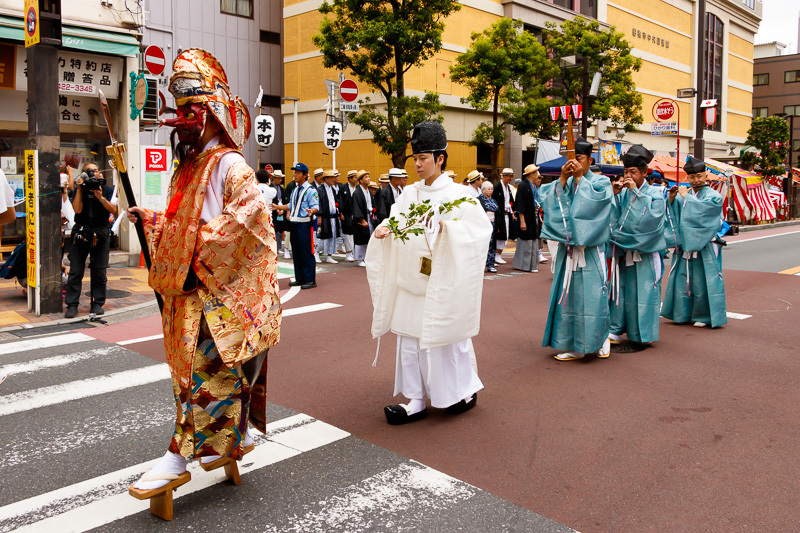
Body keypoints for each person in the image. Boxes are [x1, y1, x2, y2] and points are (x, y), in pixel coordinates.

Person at [124, 49, 281, 511]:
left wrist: (183, 243)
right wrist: (152, 220)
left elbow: (246, 226)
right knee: (189, 376)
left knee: (204, 377)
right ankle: (232, 439)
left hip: (215, 294)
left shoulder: (233, 166)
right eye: (182, 111)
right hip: (185, 289)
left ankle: (179, 455)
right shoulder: (187, 167)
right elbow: (183, 221)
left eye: (193, 110)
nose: (185, 119)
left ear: (213, 111)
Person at [367, 121, 491, 425]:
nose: (418, 164)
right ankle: (416, 398)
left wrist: (450, 230)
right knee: (409, 341)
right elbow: (396, 221)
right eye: (415, 159)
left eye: (424, 158)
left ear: (440, 159)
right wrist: (385, 228)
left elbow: (480, 230)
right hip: (411, 278)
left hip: (441, 281)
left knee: (444, 340)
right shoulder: (409, 194)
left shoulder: (459, 194)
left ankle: (458, 391)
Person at [539, 137, 613, 361]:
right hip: (568, 250)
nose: (573, 164)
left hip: (590, 250)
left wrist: (581, 179)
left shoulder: (601, 183)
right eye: (570, 160)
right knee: (568, 296)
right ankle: (571, 342)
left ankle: (600, 338)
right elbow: (547, 199)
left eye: (578, 159)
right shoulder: (565, 182)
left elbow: (597, 207)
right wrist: (562, 178)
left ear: (590, 160)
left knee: (593, 297)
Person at [608, 145, 667, 346]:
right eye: (626, 172)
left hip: (646, 252)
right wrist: (614, 195)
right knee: (623, 291)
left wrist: (637, 194)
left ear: (644, 173)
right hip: (626, 250)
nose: (629, 176)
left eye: (633, 172)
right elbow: (615, 218)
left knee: (644, 292)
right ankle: (616, 328)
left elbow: (654, 219)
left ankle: (643, 334)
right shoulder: (624, 192)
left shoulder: (656, 193)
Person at [661, 156, 727, 328]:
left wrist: (687, 199)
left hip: (705, 245)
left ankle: (704, 316)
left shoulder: (714, 196)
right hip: (685, 247)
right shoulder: (686, 194)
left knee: (702, 281)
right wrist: (672, 199)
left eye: (699, 176)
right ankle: (682, 314)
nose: (696, 180)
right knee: (683, 279)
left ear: (706, 175)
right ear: (687, 178)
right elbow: (674, 216)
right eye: (692, 177)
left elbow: (704, 214)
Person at [64, 162, 118, 318]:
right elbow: (77, 210)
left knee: (99, 271)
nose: (94, 174)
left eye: (96, 171)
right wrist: (80, 188)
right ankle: (72, 305)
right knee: (75, 270)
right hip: (82, 231)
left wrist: (100, 197)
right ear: (84, 175)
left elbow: (113, 210)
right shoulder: (79, 189)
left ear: (100, 173)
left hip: (100, 232)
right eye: (90, 172)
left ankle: (97, 304)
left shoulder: (107, 189)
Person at [273, 162, 319, 289]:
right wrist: (278, 207)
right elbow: (290, 206)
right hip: (294, 224)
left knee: (306, 252)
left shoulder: (310, 190)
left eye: (298, 173)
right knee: (297, 252)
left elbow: (315, 206)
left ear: (305, 175)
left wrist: (312, 211)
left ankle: (310, 280)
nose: (295, 175)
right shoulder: (294, 190)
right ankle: (300, 278)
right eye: (294, 172)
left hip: (304, 225)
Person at [512, 164, 542, 273]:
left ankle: (533, 265)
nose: (538, 175)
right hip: (526, 216)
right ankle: (524, 265)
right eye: (536, 172)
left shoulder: (534, 185)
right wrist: (522, 221)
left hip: (533, 215)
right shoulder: (523, 185)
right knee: (526, 241)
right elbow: (520, 204)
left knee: (534, 240)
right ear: (532, 174)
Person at [492, 168, 517, 264]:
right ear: (504, 176)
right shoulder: (497, 187)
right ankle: (496, 254)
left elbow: (511, 201)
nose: (510, 178)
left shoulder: (508, 188)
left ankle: (499, 254)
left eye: (511, 176)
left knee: (506, 235)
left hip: (507, 214)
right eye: (509, 176)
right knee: (499, 234)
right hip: (500, 215)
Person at [317, 169, 341, 264]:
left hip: (332, 217)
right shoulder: (320, 189)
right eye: (331, 177)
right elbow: (318, 203)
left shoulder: (333, 189)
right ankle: (316, 253)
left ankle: (329, 255)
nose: (333, 179)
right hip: (324, 216)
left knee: (332, 236)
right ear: (325, 178)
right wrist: (319, 216)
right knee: (322, 236)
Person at [352, 170, 374, 267]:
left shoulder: (368, 191)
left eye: (369, 177)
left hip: (369, 216)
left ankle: (366, 257)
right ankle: (360, 258)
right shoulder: (357, 193)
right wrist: (362, 220)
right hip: (361, 219)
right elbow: (356, 207)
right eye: (366, 177)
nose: (368, 179)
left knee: (367, 239)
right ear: (360, 180)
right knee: (360, 239)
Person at [478, 181, 499, 273]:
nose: (490, 191)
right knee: (482, 245)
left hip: (493, 224)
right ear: (483, 190)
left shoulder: (493, 200)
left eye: (491, 189)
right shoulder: (478, 200)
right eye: (488, 189)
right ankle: (480, 265)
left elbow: (498, 212)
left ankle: (490, 265)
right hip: (482, 225)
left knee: (492, 245)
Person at [338, 169, 357, 262]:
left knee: (355, 233)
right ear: (350, 178)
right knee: (347, 234)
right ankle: (348, 253)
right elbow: (340, 201)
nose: (356, 179)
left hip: (356, 213)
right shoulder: (343, 188)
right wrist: (341, 213)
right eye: (355, 177)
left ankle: (354, 252)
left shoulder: (357, 188)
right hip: (346, 214)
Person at [270, 170, 286, 254]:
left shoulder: (282, 189)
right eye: (278, 178)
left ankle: (279, 247)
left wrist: (282, 209)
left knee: (280, 230)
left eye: (281, 179)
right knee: (274, 230)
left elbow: (284, 200)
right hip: (273, 211)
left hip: (281, 210)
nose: (280, 180)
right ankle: (274, 247)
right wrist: (276, 208)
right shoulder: (270, 188)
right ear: (274, 178)